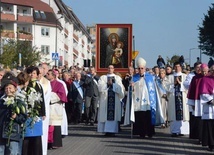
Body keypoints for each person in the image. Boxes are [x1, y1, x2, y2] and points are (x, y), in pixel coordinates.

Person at [124, 57, 164, 138]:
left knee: (148, 116)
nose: (140, 70)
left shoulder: (150, 77)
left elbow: (156, 87)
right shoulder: (134, 77)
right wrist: (131, 86)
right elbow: (131, 89)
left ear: (145, 68)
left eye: (142, 68)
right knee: (140, 117)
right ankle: (141, 133)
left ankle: (150, 133)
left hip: (148, 101)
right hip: (138, 102)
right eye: (139, 68)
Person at [0, 73, 27, 155]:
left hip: (13, 133)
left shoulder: (19, 101)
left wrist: (16, 117)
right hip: (1, 132)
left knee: (13, 152)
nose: (8, 90)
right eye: (6, 88)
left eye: (10, 88)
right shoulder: (1, 101)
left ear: (15, 89)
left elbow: (24, 117)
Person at [22, 66, 46, 155]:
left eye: (34, 73)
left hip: (37, 114)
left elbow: (42, 100)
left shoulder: (39, 85)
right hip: (27, 114)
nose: (32, 75)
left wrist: (43, 113)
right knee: (27, 137)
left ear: (37, 75)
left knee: (36, 137)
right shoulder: (26, 85)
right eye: (30, 73)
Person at [97, 65, 124, 136]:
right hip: (105, 100)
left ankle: (112, 131)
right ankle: (106, 131)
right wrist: (107, 85)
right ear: (107, 69)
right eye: (108, 68)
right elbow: (99, 87)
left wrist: (113, 85)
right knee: (105, 115)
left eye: (111, 68)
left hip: (114, 100)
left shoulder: (117, 78)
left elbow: (120, 88)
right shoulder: (103, 77)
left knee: (113, 116)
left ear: (113, 69)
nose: (110, 69)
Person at [165, 62, 189, 137]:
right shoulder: (170, 77)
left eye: (178, 66)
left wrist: (180, 83)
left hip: (183, 98)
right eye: (175, 66)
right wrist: (174, 84)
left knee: (183, 114)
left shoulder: (185, 76)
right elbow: (166, 87)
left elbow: (188, 87)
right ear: (173, 68)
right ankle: (175, 131)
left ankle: (183, 131)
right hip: (173, 98)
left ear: (181, 67)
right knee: (173, 114)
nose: (177, 68)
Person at [187, 63, 209, 144]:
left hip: (208, 102)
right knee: (199, 120)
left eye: (206, 71)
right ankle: (200, 137)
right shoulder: (195, 78)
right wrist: (192, 103)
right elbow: (192, 91)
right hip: (198, 101)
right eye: (203, 71)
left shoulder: (210, 78)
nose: (204, 73)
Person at [46, 69, 67, 149]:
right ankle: (48, 143)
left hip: (55, 107)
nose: (47, 75)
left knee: (55, 126)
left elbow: (62, 95)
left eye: (48, 74)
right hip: (48, 107)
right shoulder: (45, 84)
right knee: (48, 126)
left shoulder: (59, 84)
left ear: (53, 75)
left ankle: (56, 143)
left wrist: (51, 96)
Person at [199, 65, 214, 151]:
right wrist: (211, 100)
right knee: (210, 127)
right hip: (210, 107)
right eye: (212, 70)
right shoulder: (205, 79)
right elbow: (203, 93)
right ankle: (211, 144)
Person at [38, 65, 52, 155]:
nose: (38, 75)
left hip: (43, 111)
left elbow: (46, 98)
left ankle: (42, 151)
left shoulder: (46, 83)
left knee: (43, 132)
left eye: (40, 73)